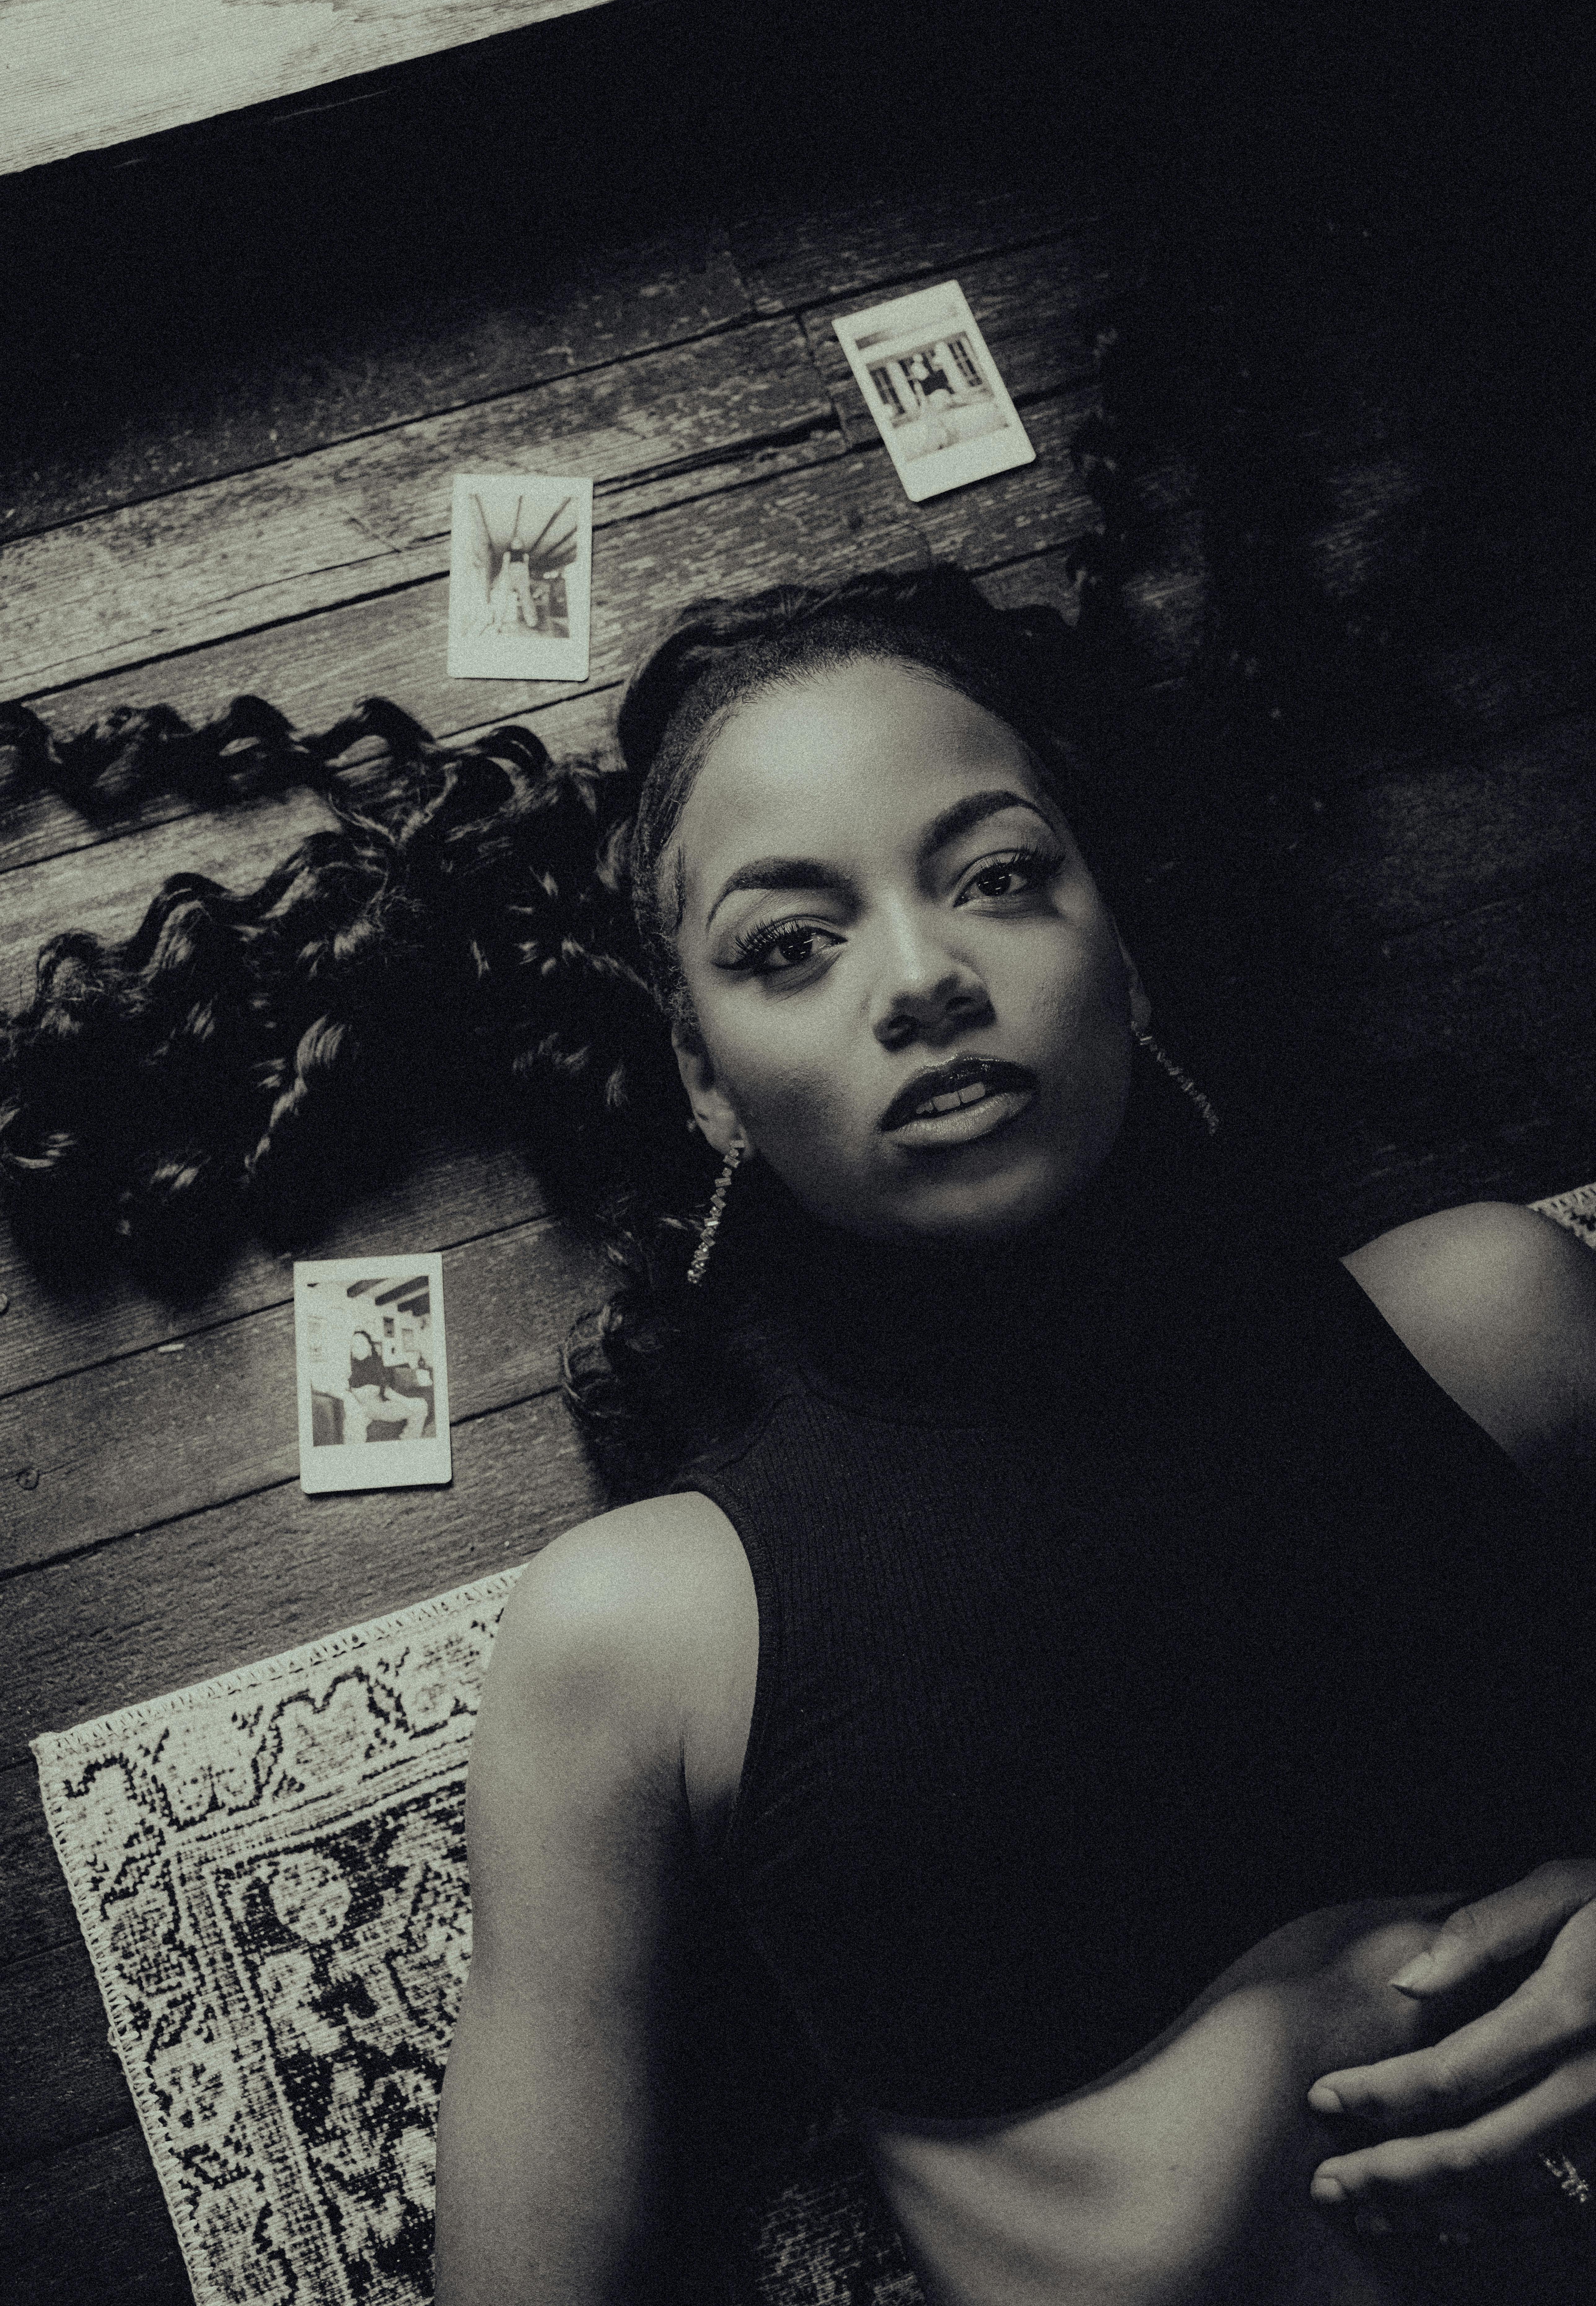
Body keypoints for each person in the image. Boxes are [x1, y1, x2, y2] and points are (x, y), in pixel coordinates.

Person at [2, 569, 1594, 2303]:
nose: (923, 977)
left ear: (1117, 949)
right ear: (701, 1076)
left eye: (998, 876)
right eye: (789, 944)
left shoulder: (1490, 1326)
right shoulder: (642, 1643)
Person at [344, 1323, 428, 1443]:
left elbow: (386, 1391)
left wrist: (407, 1402)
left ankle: (409, 1439)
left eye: (361, 1344)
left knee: (421, 1405)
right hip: (369, 1411)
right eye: (354, 1346)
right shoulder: (350, 1369)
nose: (357, 1348)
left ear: (369, 1348)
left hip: (381, 1408)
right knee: (419, 1405)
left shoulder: (375, 1366)